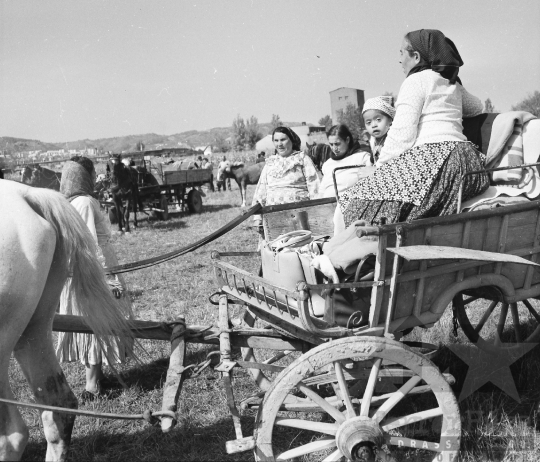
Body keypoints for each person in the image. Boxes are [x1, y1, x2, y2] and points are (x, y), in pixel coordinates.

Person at [339, 29, 489, 227]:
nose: (399, 60)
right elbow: (478, 107)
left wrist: (377, 169)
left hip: (436, 158)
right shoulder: (450, 82)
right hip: (467, 161)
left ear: (416, 57)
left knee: (356, 201)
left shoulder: (414, 81)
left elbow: (402, 135)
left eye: (402, 53)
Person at [56, 156, 133, 400]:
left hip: (77, 272)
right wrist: (107, 278)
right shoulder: (87, 203)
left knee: (91, 324)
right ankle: (92, 387)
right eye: (91, 174)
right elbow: (90, 245)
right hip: (93, 272)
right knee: (97, 324)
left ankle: (96, 378)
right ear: (84, 176)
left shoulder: (67, 203)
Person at [252, 126, 320, 230]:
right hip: (273, 219)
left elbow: (315, 187)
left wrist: (317, 213)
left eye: (283, 140)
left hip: (300, 218)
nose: (279, 144)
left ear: (291, 140)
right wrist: (257, 218)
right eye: (276, 140)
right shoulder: (270, 163)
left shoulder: (302, 159)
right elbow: (260, 192)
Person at [318, 124, 372, 234]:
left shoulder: (362, 158)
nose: (334, 148)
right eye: (331, 144)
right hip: (327, 211)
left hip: (350, 210)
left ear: (347, 140)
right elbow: (322, 190)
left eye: (337, 144)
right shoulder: (327, 164)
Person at [362, 96, 395, 165]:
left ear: (390, 120)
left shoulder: (393, 138)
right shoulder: (373, 140)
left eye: (378, 120)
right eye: (368, 122)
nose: (374, 125)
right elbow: (373, 157)